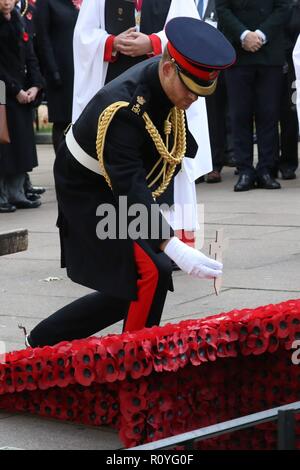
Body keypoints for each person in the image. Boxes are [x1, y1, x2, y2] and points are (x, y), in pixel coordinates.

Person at [24, 17, 235, 348]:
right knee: (150, 271)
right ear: (168, 69)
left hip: (112, 180)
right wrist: (171, 243)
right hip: (86, 187)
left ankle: (44, 339)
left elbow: (169, 145)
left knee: (137, 281)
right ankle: (134, 364)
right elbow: (129, 187)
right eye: (190, 90)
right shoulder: (124, 109)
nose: (193, 99)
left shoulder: (166, 80)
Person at [72, 0, 213, 248]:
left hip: (163, 87)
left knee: (166, 156)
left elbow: (191, 34)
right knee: (121, 163)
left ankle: (171, 242)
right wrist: (111, 42)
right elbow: (83, 37)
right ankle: (120, 242)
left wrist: (153, 43)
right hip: (117, 90)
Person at [216, 0, 289, 192]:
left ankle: (266, 169)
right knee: (240, 114)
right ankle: (245, 170)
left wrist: (261, 35)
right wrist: (244, 35)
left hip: (269, 52)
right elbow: (223, 9)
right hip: (237, 53)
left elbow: (283, 7)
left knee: (269, 114)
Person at [0, 0, 44, 211]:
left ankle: (17, 191)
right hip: (3, 90)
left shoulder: (19, 19)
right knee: (4, 143)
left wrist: (35, 85)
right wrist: (14, 89)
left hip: (22, 90)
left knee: (21, 143)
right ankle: (3, 194)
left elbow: (30, 56)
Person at [35, 0, 79, 156]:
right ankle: (62, 170)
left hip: (82, 71)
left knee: (81, 122)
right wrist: (53, 70)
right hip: (60, 72)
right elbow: (42, 38)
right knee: (63, 122)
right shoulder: (47, 2)